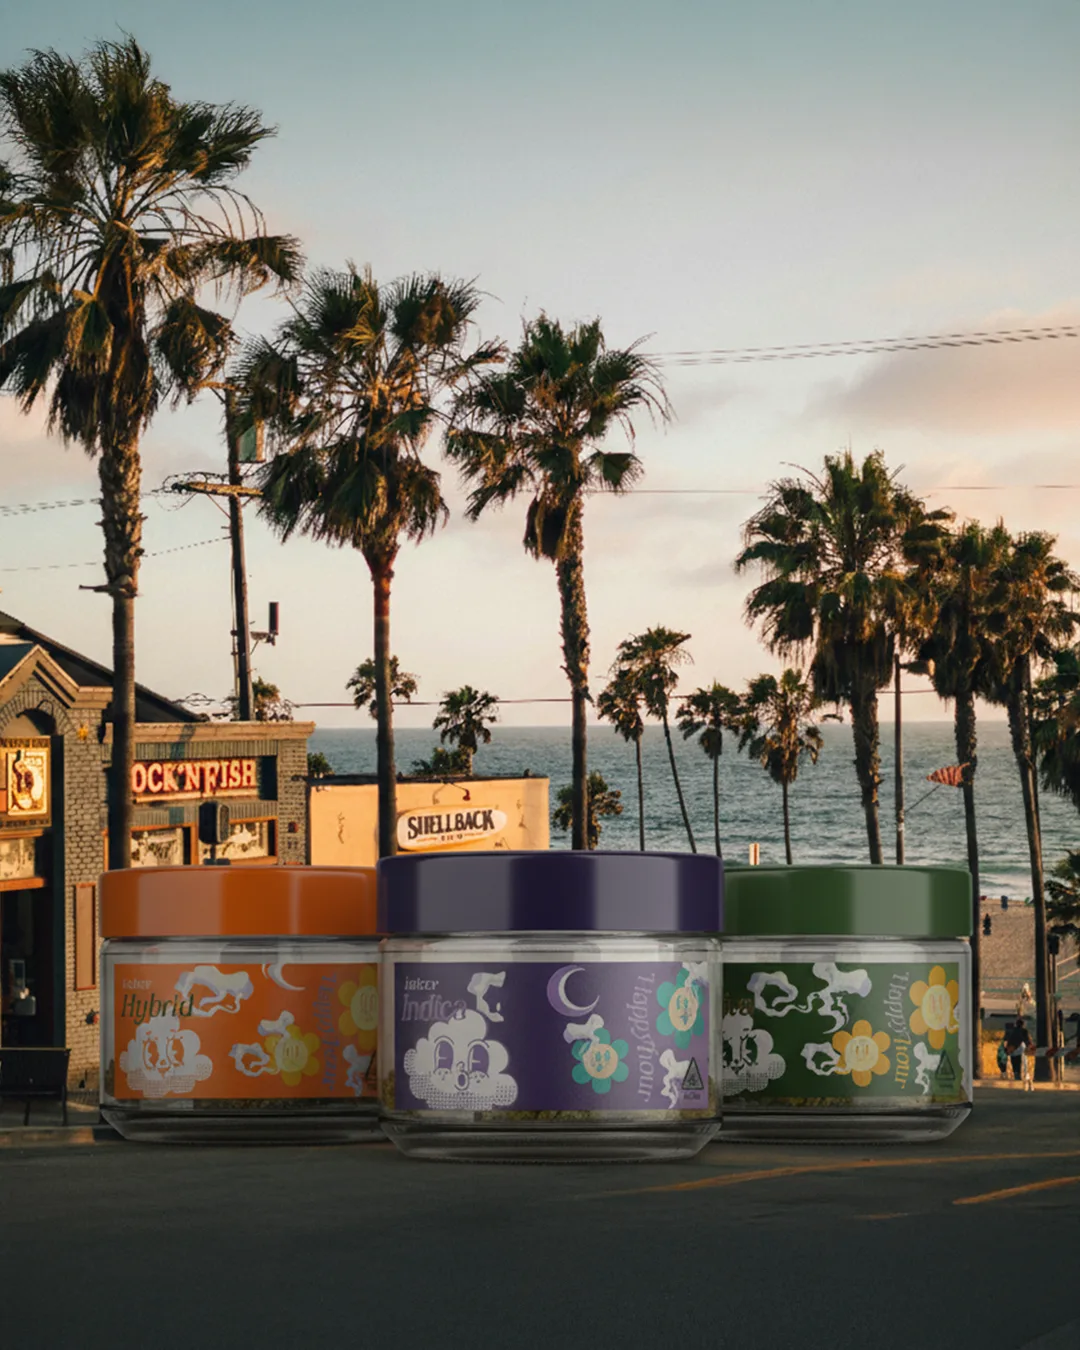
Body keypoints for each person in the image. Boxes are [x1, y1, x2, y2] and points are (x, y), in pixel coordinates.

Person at [1003, 1017, 1034, 1089]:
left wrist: (1007, 1049)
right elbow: (1028, 1040)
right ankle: (1020, 1075)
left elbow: (1007, 1039)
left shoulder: (1012, 1030)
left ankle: (1016, 1074)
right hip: (1020, 1048)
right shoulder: (1024, 1031)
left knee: (1014, 1062)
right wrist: (1031, 1047)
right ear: (1023, 1024)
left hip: (1011, 1049)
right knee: (1021, 1062)